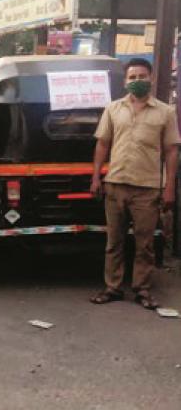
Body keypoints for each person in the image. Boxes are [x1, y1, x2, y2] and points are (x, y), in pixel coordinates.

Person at [90, 58, 180, 310]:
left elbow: (172, 151)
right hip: (116, 183)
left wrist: (169, 187)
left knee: (145, 243)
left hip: (148, 187)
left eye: (142, 76)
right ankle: (113, 287)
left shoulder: (165, 112)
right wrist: (96, 176)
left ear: (150, 79)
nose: (137, 81)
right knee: (114, 241)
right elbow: (103, 144)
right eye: (132, 77)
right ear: (125, 81)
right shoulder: (113, 109)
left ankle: (142, 289)